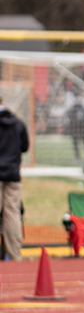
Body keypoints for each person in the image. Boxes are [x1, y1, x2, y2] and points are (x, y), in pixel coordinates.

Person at [0, 95, 29, 261]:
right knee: (12, 213)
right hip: (12, 174)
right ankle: (14, 253)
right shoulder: (18, 123)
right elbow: (25, 147)